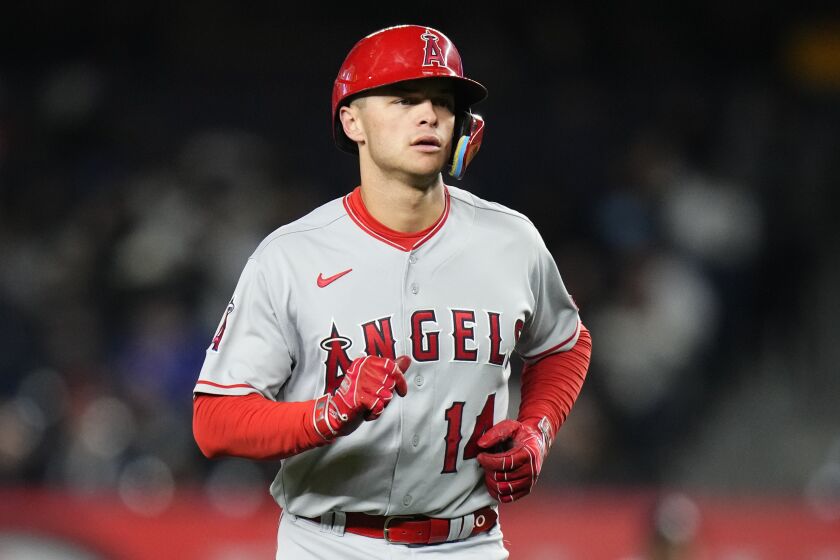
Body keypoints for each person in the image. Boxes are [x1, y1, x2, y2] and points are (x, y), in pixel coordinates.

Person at [192, 24, 592, 559]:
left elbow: (565, 343)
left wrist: (537, 428)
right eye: (404, 99)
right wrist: (327, 413)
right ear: (351, 120)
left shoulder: (511, 240)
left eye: (443, 102)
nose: (429, 115)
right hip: (328, 544)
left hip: (469, 543)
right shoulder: (291, 256)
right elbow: (215, 420)